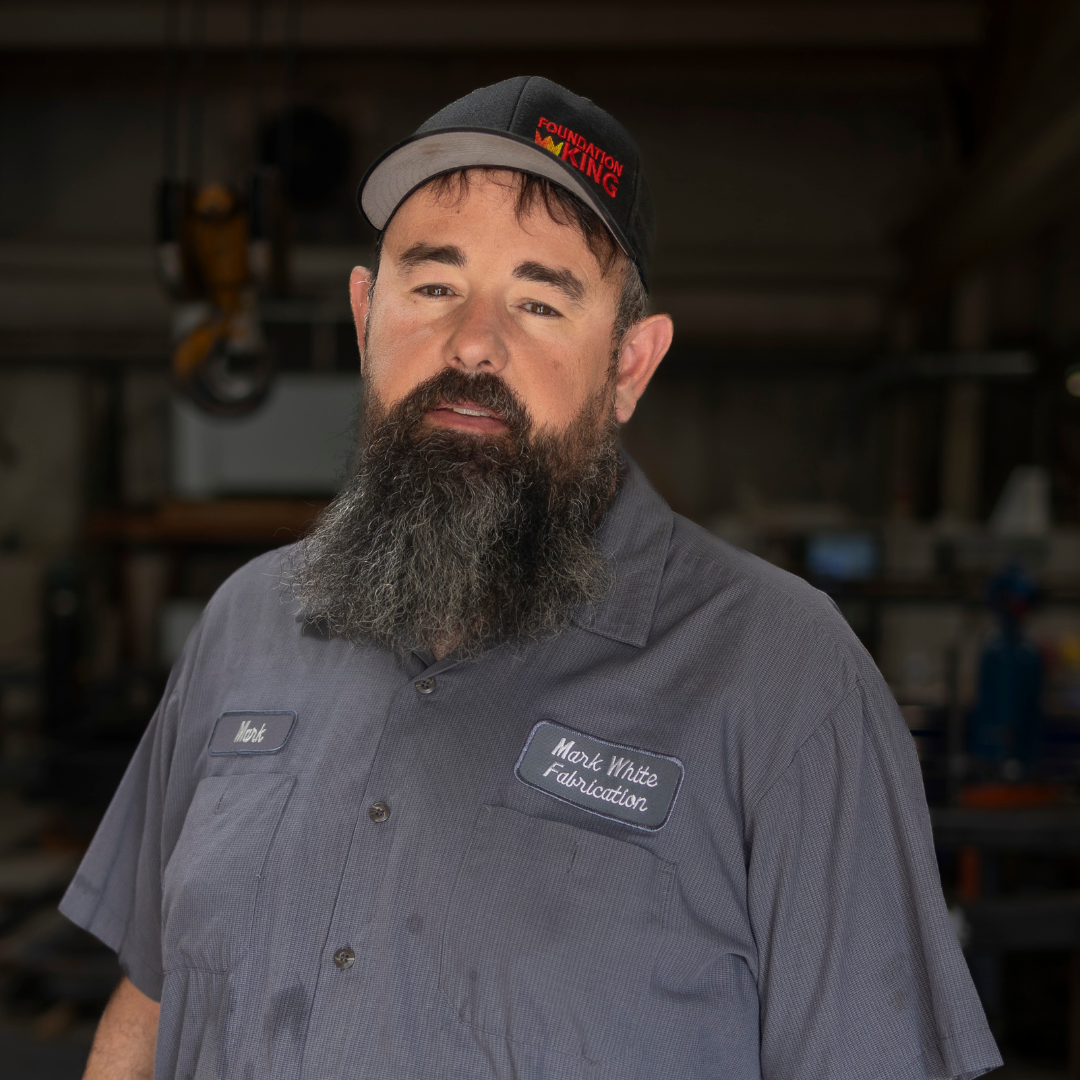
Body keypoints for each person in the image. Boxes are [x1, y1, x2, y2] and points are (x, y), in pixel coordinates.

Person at [63, 76, 1000, 1080]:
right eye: (433, 286)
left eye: (540, 299)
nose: (472, 343)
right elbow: (152, 1002)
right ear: (365, 314)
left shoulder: (785, 680)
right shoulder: (249, 622)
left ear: (629, 366)